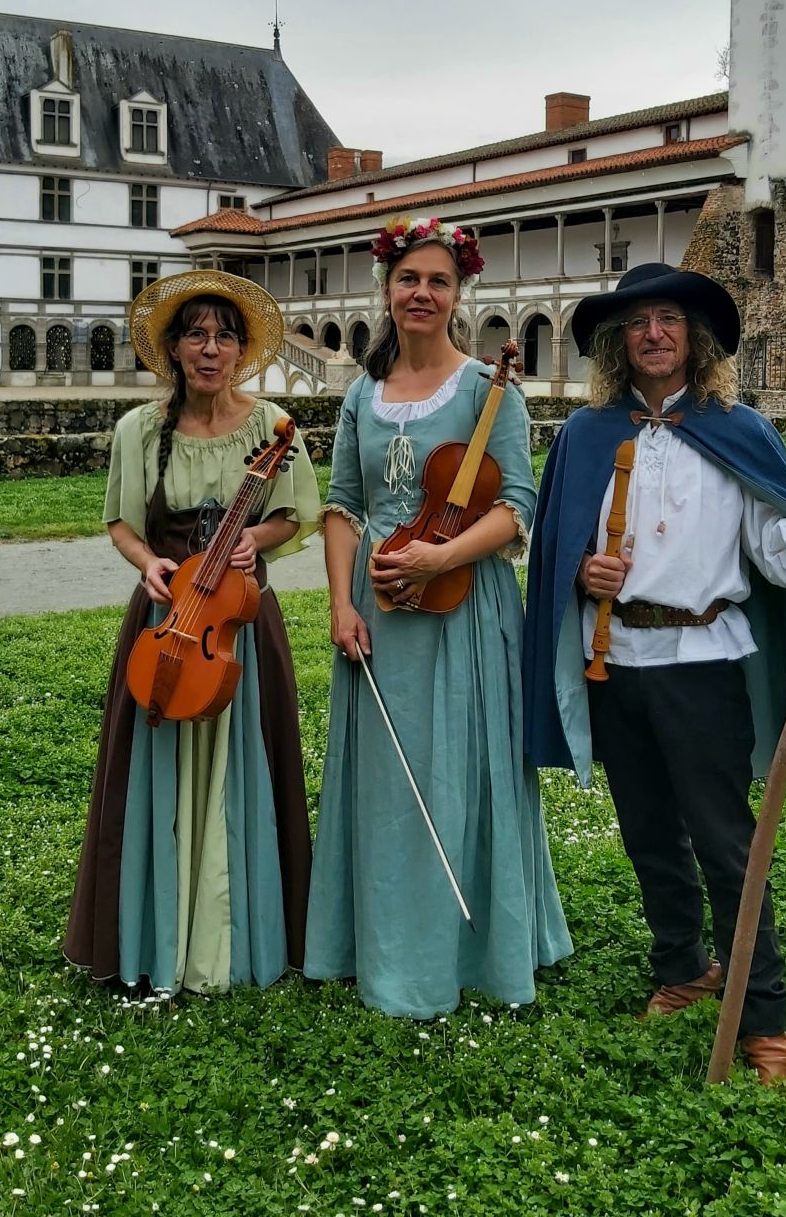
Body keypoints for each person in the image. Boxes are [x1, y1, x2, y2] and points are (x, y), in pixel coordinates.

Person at [522, 264, 786, 1082]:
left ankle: (764, 1016)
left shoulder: (739, 428)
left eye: (668, 319)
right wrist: (579, 576)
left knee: (726, 842)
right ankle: (682, 970)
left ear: (695, 336)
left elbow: (779, 554)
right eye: (637, 324)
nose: (654, 335)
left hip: (704, 663)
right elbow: (555, 549)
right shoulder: (585, 435)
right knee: (646, 834)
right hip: (615, 662)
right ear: (617, 343)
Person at [305, 216, 572, 1017]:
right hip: (380, 616)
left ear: (460, 294)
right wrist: (341, 602)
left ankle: (466, 949)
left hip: (463, 609)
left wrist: (440, 557)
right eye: (408, 279)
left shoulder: (493, 395)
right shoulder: (361, 394)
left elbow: (517, 509)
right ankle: (381, 942)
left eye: (439, 281)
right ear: (386, 289)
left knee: (458, 767)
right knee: (389, 782)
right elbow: (344, 507)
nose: (422, 293)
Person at [65, 269, 320, 995]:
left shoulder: (273, 428)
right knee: (155, 766)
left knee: (247, 766)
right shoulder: (140, 430)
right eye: (197, 335)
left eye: (226, 335)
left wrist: (257, 540)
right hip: (168, 619)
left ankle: (241, 938)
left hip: (238, 621)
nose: (212, 348)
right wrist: (148, 563)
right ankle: (156, 930)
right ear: (174, 349)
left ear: (243, 350)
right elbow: (120, 520)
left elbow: (297, 511)